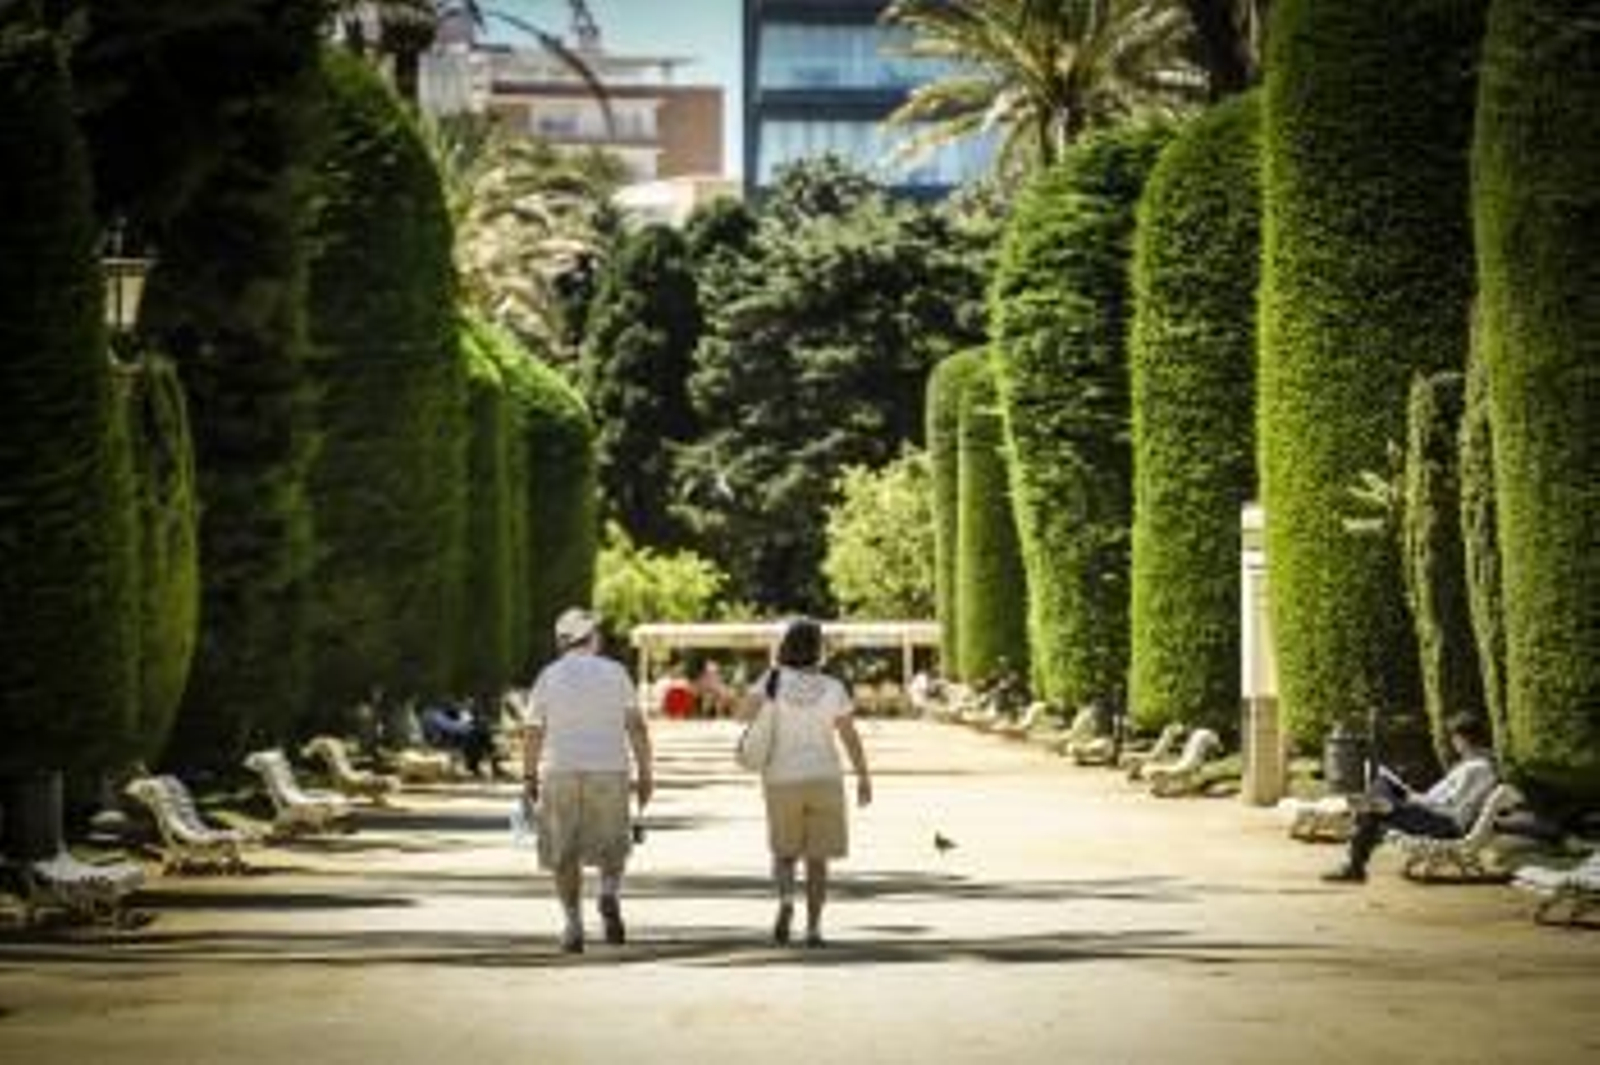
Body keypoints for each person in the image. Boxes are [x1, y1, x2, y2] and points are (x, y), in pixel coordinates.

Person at [522, 608, 654, 952]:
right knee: (613, 844)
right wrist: (646, 773)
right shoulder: (616, 672)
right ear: (592, 638)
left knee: (564, 852)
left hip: (560, 768)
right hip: (609, 768)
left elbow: (533, 731)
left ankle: (573, 924)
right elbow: (636, 727)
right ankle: (608, 891)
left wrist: (529, 775)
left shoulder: (548, 676)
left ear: (561, 641)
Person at [749, 617, 873, 947]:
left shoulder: (771, 680)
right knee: (818, 860)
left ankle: (787, 899)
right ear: (819, 649)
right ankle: (814, 928)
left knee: (785, 852)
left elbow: (740, 713)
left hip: (780, 778)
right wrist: (863, 776)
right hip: (825, 778)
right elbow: (849, 735)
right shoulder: (833, 687)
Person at [1322, 713, 1499, 884]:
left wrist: (1415, 800)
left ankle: (1355, 861)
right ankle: (1368, 815)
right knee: (1382, 784)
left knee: (1374, 808)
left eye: (1455, 738)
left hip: (1444, 823)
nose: (1453, 743)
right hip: (1432, 813)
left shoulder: (1478, 769)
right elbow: (1442, 798)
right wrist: (1412, 796)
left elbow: (1451, 805)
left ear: (1464, 739)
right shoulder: (1470, 765)